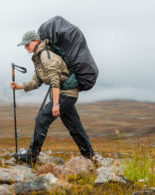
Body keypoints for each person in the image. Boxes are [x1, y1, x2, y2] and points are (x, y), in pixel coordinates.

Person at [11, 30, 97, 166]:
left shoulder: (46, 56)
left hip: (66, 94)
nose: (25, 47)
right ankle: (91, 157)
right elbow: (36, 82)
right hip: (65, 94)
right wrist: (19, 86)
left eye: (27, 44)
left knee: (42, 118)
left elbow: (55, 80)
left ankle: (32, 155)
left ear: (35, 41)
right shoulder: (38, 57)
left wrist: (56, 104)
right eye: (24, 45)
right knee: (75, 127)